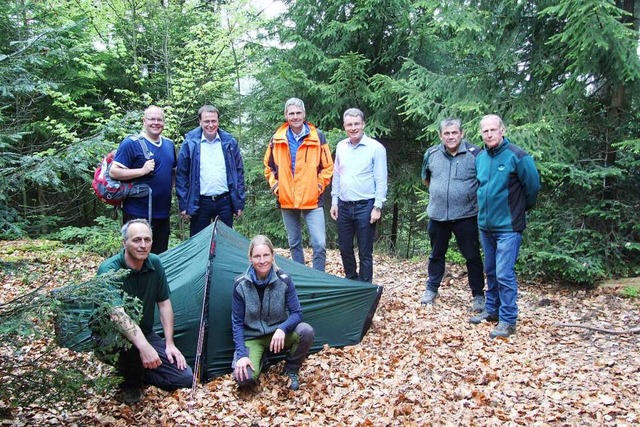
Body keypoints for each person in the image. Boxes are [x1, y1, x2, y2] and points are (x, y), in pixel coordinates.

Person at [95, 219, 193, 404]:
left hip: (145, 332)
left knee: (185, 379)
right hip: (111, 335)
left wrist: (169, 343)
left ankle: (139, 370)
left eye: (147, 240)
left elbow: (164, 304)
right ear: (124, 243)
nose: (143, 245)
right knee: (130, 346)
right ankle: (130, 384)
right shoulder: (109, 270)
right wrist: (144, 347)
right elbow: (117, 315)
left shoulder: (154, 263)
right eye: (137, 240)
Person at [469, 114, 540, 338]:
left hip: (508, 227)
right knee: (490, 270)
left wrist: (517, 211)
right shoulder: (480, 158)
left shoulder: (517, 156)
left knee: (504, 273)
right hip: (485, 225)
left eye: (493, 130)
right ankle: (492, 310)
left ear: (502, 131)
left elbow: (532, 188)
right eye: (485, 131)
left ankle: (508, 320)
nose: (489, 134)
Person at [231, 235, 315, 391]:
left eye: (266, 255)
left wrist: (282, 328)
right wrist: (242, 355)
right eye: (257, 256)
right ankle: (260, 358)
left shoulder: (284, 280)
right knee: (243, 379)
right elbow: (237, 322)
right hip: (253, 337)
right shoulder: (240, 284)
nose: (262, 260)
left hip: (278, 335)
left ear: (272, 256)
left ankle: (291, 369)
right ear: (250, 258)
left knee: (306, 331)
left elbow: (296, 312)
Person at [419, 118, 485, 312]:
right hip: (438, 216)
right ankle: (431, 289)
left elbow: (483, 182)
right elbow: (426, 179)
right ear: (441, 135)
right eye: (446, 134)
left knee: (472, 256)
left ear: (462, 133)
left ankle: (478, 295)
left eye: (454, 133)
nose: (450, 137)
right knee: (436, 255)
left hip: (466, 216)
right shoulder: (431, 154)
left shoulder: (476, 155)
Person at [264, 98, 333, 272]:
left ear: (304, 114)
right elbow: (268, 167)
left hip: (312, 199)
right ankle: (300, 279)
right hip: (287, 198)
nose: (295, 117)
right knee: (294, 243)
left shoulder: (318, 136)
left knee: (319, 244)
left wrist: (318, 187)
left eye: (298, 113)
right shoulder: (277, 138)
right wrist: (277, 188)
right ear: (286, 115)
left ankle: (318, 279)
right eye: (291, 113)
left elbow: (327, 167)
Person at [330, 108, 388, 283]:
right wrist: (334, 201)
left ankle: (365, 287)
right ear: (344, 126)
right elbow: (337, 174)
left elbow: (381, 178)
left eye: (356, 124)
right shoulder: (341, 146)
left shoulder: (376, 148)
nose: (353, 128)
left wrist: (377, 207)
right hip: (344, 205)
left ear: (363, 124)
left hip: (366, 206)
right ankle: (351, 281)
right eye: (349, 124)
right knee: (345, 248)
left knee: (365, 251)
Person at [109, 105, 176, 254]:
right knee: (135, 255)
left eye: (160, 119)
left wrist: (169, 189)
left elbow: (173, 171)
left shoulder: (169, 144)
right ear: (144, 121)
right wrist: (142, 171)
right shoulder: (131, 143)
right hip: (136, 213)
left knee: (159, 256)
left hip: (162, 213)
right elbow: (114, 172)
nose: (156, 122)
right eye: (152, 119)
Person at [176, 105, 246, 236]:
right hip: (200, 203)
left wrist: (239, 202)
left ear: (218, 121)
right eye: (207, 121)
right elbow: (182, 175)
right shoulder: (190, 143)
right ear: (200, 122)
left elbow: (239, 172)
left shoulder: (229, 142)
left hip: (225, 202)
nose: (210, 125)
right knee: (199, 243)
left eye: (214, 121)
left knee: (225, 243)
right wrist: (184, 204)